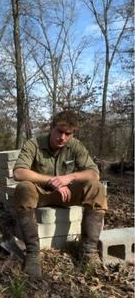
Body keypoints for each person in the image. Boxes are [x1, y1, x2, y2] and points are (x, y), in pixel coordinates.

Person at [13, 110, 107, 279]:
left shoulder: (75, 145)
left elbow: (94, 173)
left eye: (68, 134)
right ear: (51, 128)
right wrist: (51, 181)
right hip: (41, 193)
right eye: (59, 132)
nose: (63, 137)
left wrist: (70, 177)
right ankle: (33, 253)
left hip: (68, 194)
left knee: (96, 187)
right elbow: (19, 172)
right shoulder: (34, 143)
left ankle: (88, 252)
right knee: (24, 188)